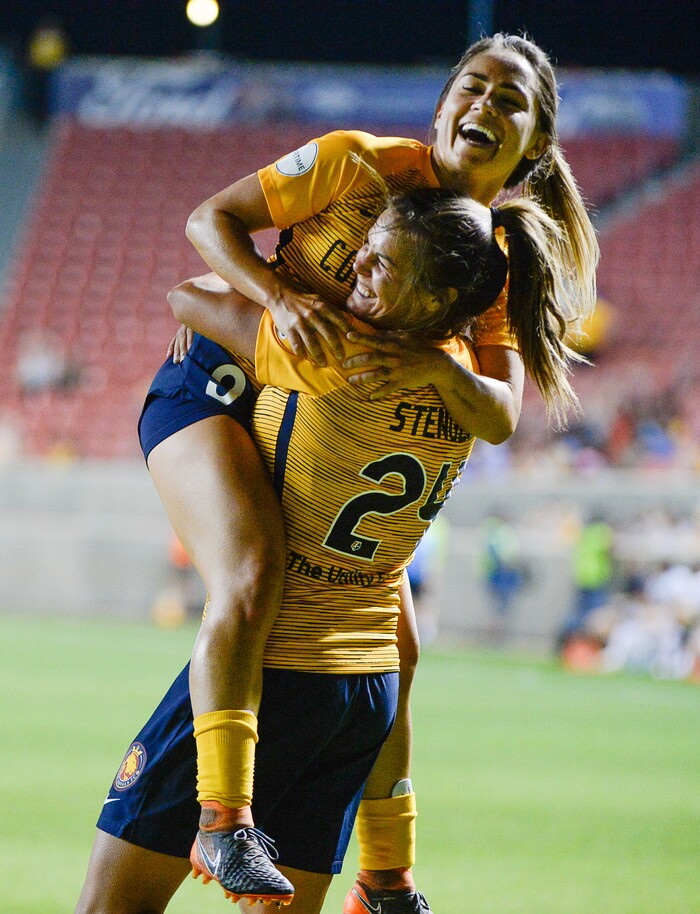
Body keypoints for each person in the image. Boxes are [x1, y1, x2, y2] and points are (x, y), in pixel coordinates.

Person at [172, 31, 598, 913]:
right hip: (223, 378)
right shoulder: (353, 165)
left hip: (316, 415)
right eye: (470, 86)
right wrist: (274, 297)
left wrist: (443, 374)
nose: (483, 104)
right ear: (440, 105)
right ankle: (224, 818)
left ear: (536, 148)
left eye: (509, 100)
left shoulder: (490, 264)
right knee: (250, 572)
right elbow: (204, 230)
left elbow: (502, 412)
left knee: (397, 649)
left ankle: (387, 880)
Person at [75, 186, 578, 914]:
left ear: (434, 296)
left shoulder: (330, 353)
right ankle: (392, 878)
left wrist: (263, 301)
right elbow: (500, 406)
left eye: (379, 266)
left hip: (272, 667)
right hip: (364, 695)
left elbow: (186, 297)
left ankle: (227, 821)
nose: (356, 271)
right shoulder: (468, 383)